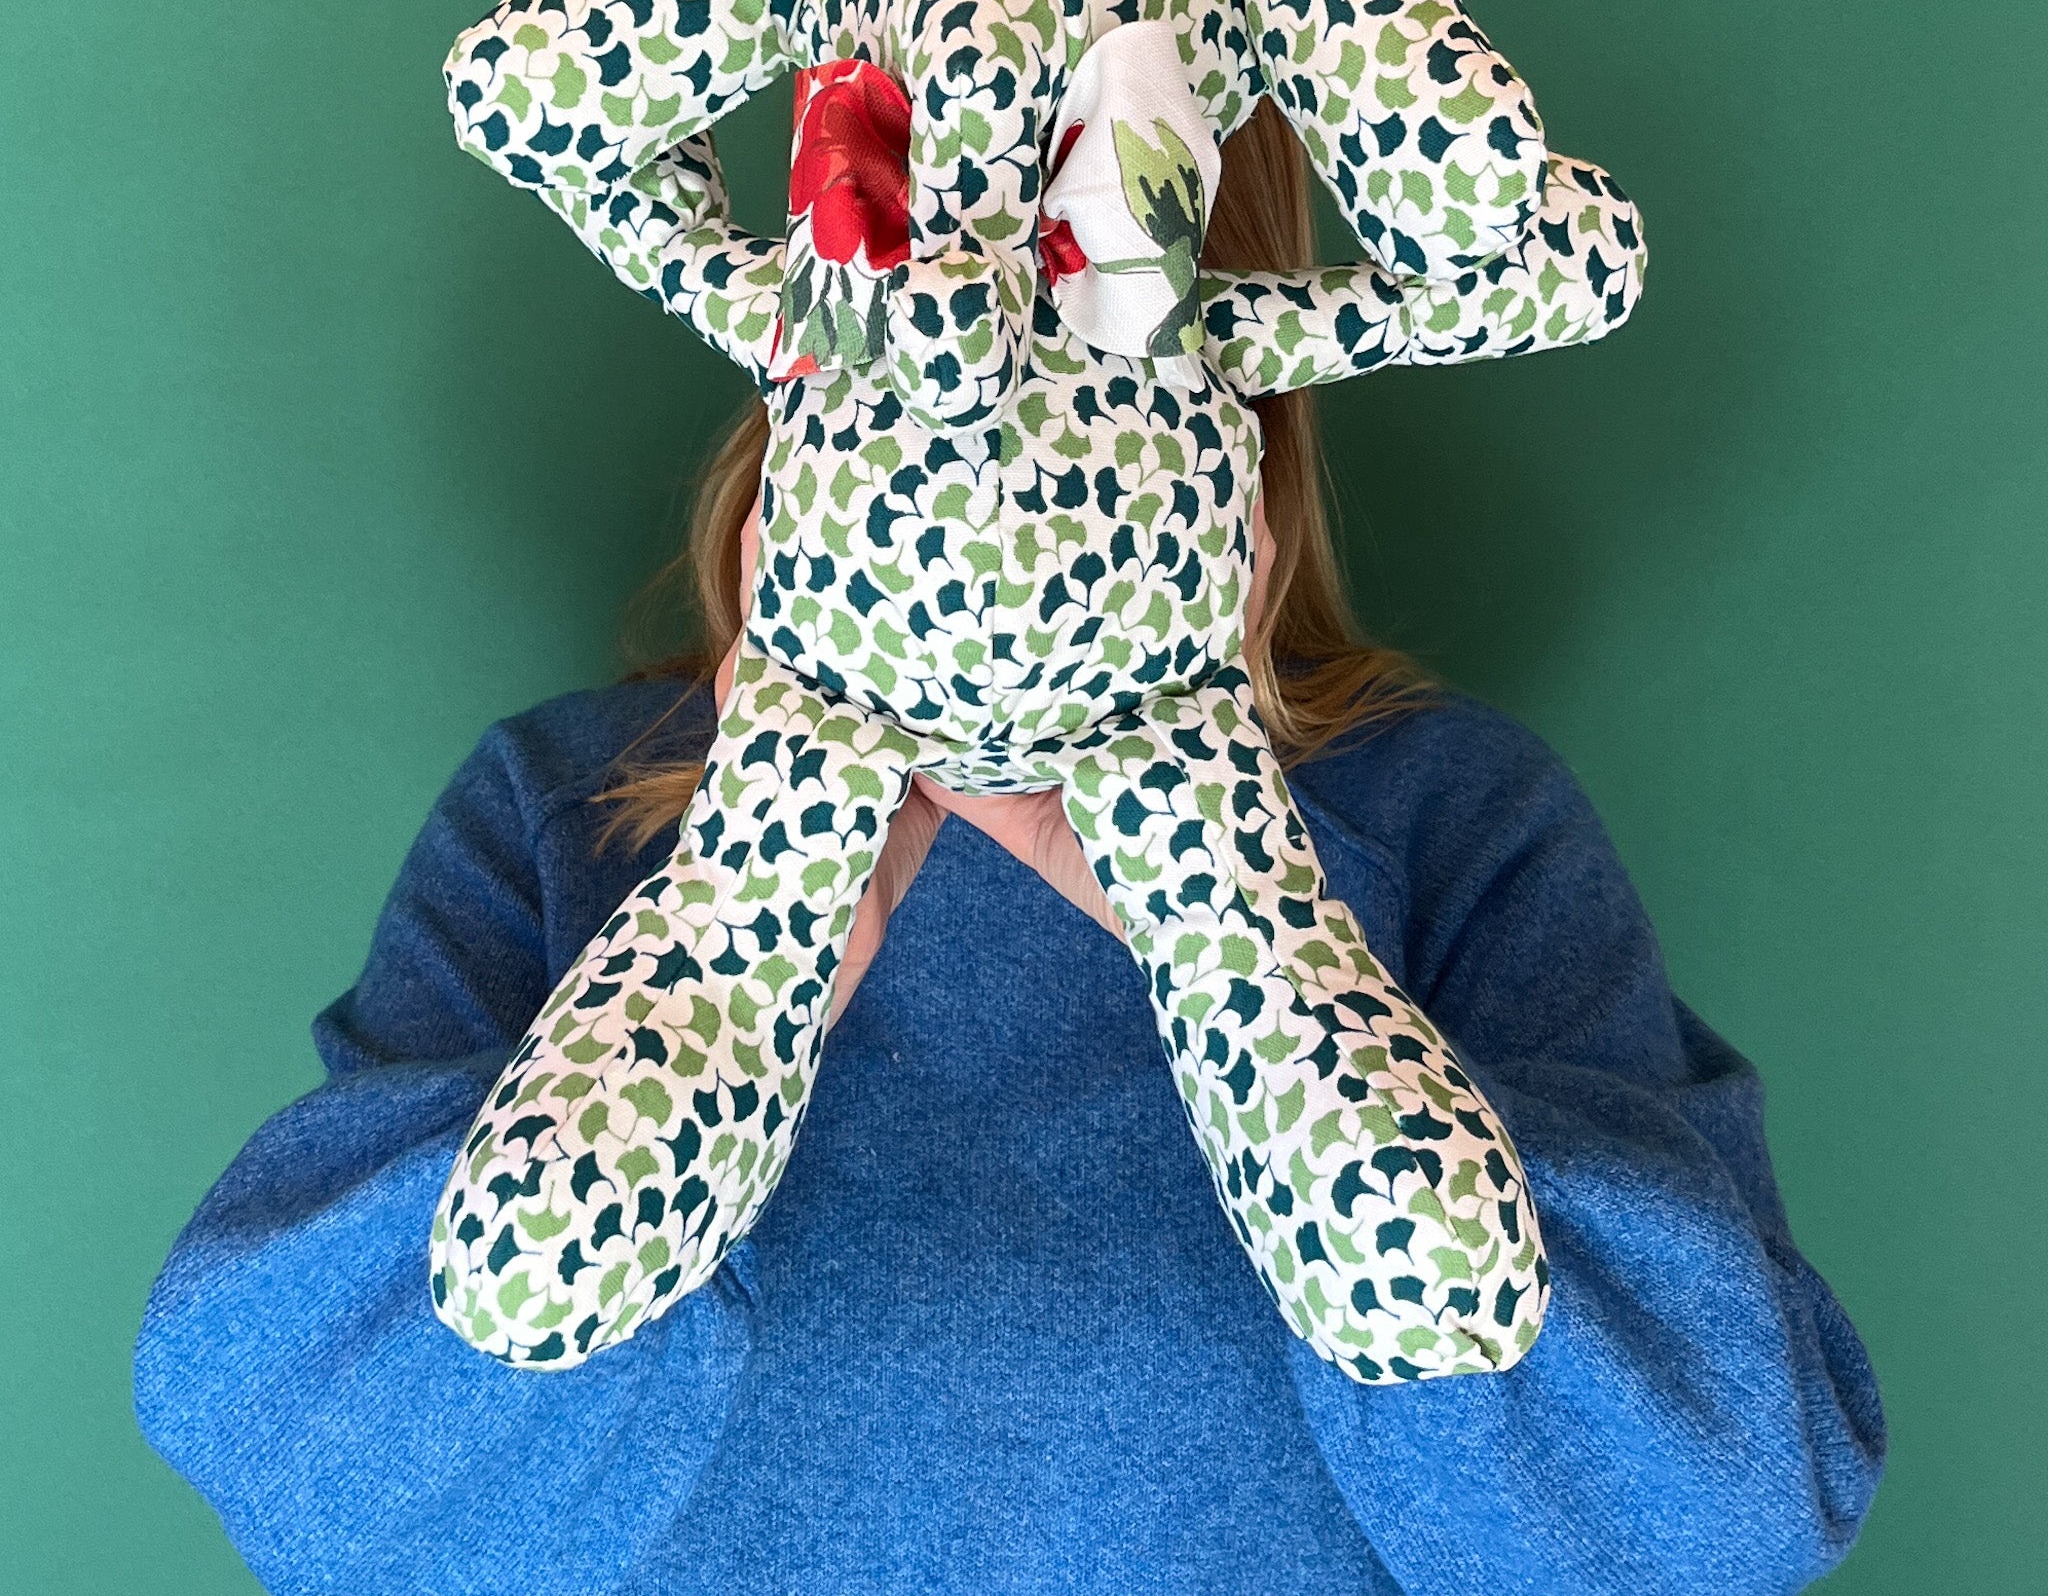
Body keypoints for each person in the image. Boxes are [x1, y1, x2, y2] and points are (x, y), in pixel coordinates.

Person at [134, 106, 1885, 1595]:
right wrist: (754, 909)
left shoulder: (1441, 816)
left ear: (1235, 417)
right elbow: (320, 1485)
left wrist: (1239, 934)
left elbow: (1716, 1517)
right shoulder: (562, 811)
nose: (993, 431)